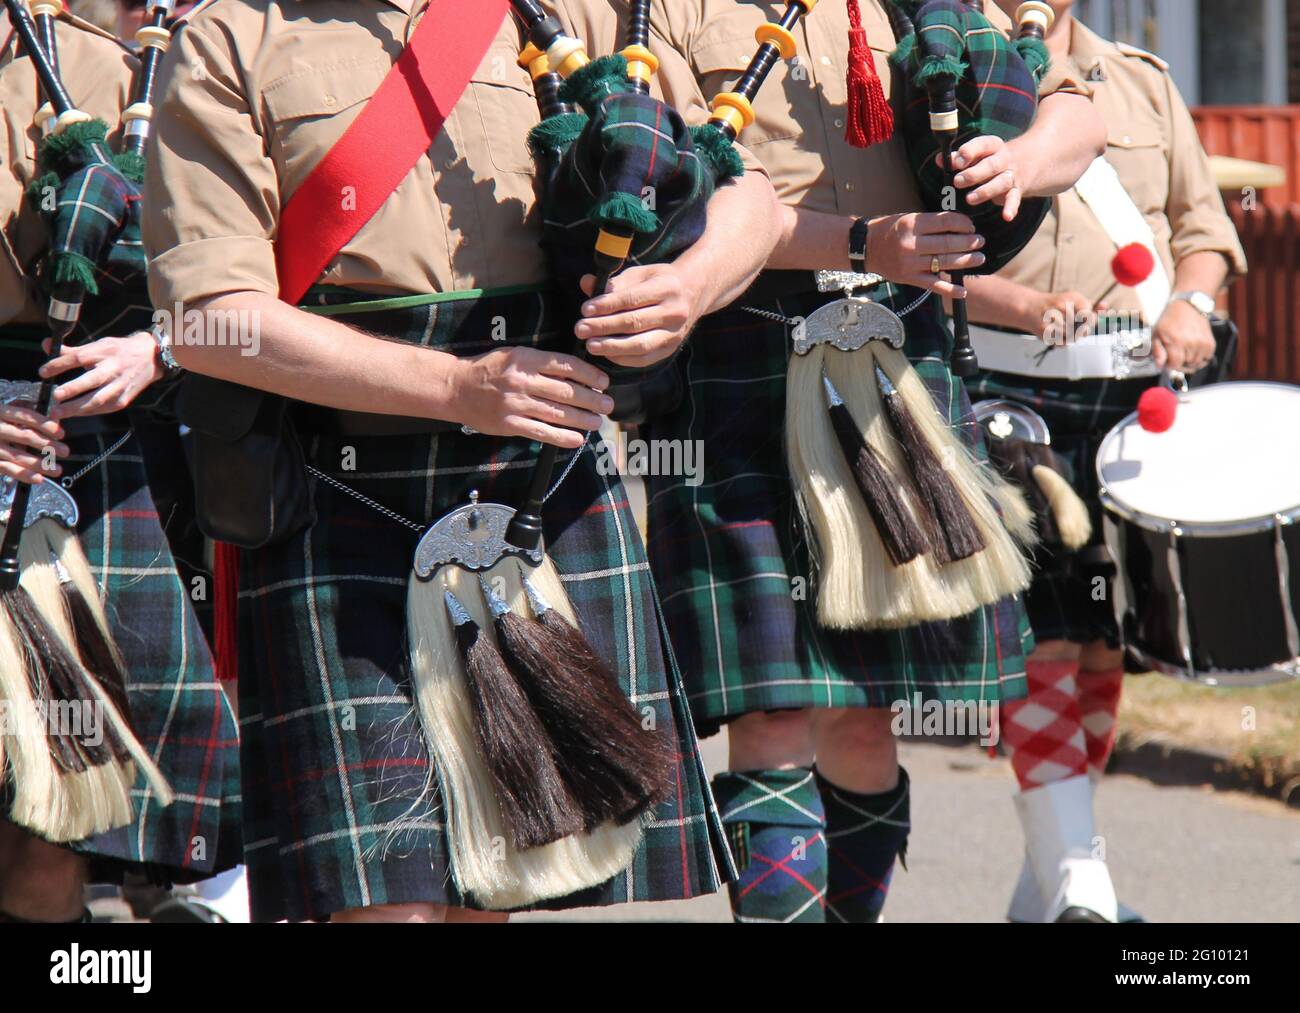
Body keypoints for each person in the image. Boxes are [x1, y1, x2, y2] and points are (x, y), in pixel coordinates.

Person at [143, 0, 782, 923]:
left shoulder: (566, 12)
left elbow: (747, 193)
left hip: (535, 480)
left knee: (496, 887)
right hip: (342, 487)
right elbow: (208, 316)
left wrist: (687, 287)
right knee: (390, 904)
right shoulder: (230, 37)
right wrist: (454, 387)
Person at [618, 0, 1106, 923]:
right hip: (744, 358)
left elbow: (1079, 116)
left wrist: (1021, 160)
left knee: (867, 712)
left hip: (900, 358)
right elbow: (685, 196)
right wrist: (858, 241)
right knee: (772, 716)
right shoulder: (666, 11)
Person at [964, 0, 1246, 922]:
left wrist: (1191, 308)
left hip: (1134, 406)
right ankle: (1084, 886)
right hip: (1012, 398)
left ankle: (1047, 884)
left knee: (1102, 643)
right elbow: (909, 246)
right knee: (1039, 639)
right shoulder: (948, 74)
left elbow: (1204, 237)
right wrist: (1006, 300)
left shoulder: (1145, 82)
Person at [0, 2, 240, 922]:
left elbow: (269, 285)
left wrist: (167, 345)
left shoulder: (174, 67)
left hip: (103, 459)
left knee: (54, 819)